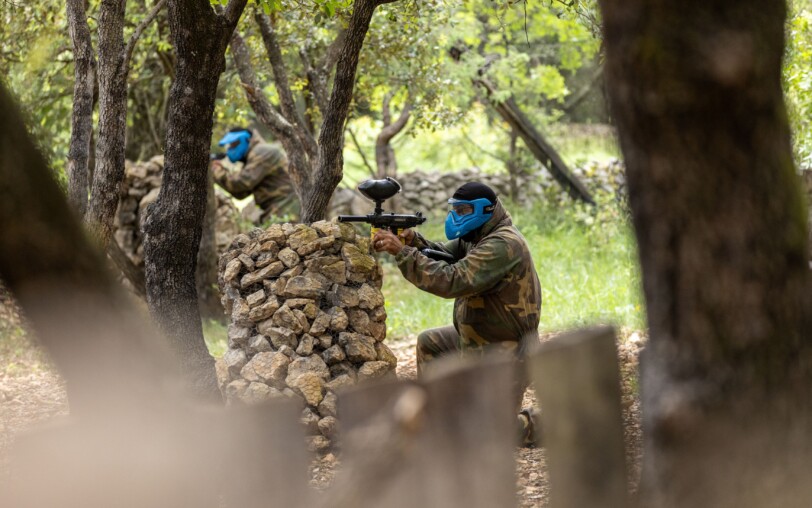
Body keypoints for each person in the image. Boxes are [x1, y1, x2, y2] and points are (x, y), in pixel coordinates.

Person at [372, 182, 543, 446]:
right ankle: (438, 418)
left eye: (463, 210)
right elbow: (443, 254)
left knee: (487, 434)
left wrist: (402, 251)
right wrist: (414, 241)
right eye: (455, 210)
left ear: (486, 210)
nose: (457, 217)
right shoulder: (476, 236)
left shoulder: (503, 244)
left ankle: (542, 423)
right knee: (430, 342)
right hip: (478, 340)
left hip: (506, 352)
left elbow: (453, 279)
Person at [211, 127, 300, 223]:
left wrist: (216, 169)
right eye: (229, 146)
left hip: (288, 208)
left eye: (234, 144)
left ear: (247, 139)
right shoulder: (253, 156)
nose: (230, 149)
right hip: (280, 208)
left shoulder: (261, 152)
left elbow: (241, 183)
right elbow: (241, 193)